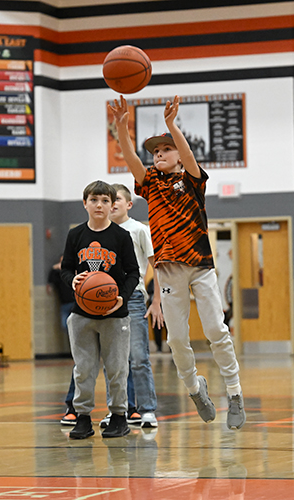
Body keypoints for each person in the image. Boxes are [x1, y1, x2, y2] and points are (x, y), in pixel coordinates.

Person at [108, 95, 246, 430]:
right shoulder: (150, 184)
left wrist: (171, 125)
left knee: (216, 330)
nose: (158, 154)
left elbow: (189, 156)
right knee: (176, 339)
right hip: (169, 270)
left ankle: (235, 393)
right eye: (155, 151)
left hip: (199, 265)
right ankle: (195, 389)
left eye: (165, 150)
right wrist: (122, 128)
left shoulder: (193, 179)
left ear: (179, 156)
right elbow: (131, 159)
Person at [59, 180, 140, 439]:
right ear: (85, 203)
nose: (99, 205)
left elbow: (133, 273)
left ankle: (119, 417)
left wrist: (122, 297)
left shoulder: (121, 236)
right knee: (83, 369)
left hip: (114, 315)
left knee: (117, 369)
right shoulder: (75, 235)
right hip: (82, 314)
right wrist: (72, 280)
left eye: (105, 201)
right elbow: (65, 269)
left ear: (112, 205)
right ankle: (82, 417)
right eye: (94, 200)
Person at [96, 183, 163, 429]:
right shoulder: (101, 231)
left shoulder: (139, 230)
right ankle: (117, 411)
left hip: (133, 297)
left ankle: (147, 410)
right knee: (113, 361)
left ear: (129, 204)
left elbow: (157, 266)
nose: (112, 204)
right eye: (108, 200)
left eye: (116, 200)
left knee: (138, 358)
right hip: (106, 299)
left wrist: (157, 301)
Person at [48, 255, 81, 426]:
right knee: (66, 328)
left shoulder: (79, 272)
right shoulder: (62, 274)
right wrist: (57, 267)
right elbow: (52, 278)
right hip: (67, 306)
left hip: (79, 303)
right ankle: (72, 407)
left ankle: (121, 409)